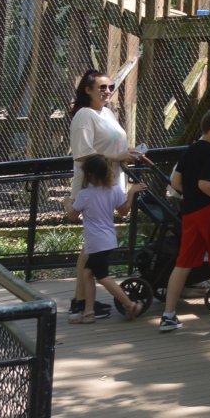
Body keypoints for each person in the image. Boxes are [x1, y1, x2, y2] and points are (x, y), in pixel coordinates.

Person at [66, 69, 144, 318]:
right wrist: (117, 157)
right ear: (87, 90)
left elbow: (111, 146)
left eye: (110, 87)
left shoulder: (107, 112)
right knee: (90, 248)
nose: (107, 91)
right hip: (92, 183)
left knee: (90, 248)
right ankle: (81, 302)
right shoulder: (84, 115)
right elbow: (82, 154)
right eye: (101, 87)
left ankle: (83, 302)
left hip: (110, 180)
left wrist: (128, 152)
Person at [158, 109, 210, 332]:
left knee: (183, 263)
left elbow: (176, 182)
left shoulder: (191, 149)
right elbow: (205, 184)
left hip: (190, 212)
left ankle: (169, 314)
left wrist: (191, 193)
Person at [67, 155, 142, 323]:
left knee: (102, 277)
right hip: (108, 240)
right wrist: (131, 193)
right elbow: (123, 211)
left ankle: (129, 304)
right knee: (87, 273)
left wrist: (67, 203)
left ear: (90, 175)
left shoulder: (85, 194)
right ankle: (89, 313)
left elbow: (72, 215)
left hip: (96, 242)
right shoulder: (114, 190)